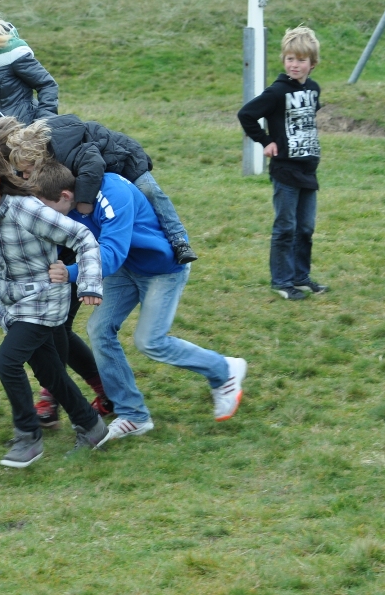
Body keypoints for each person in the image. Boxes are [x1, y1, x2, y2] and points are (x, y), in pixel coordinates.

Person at [30, 161, 247, 447]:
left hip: (162, 270)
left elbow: (112, 253)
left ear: (66, 196)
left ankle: (223, 370)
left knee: (150, 341)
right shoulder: (68, 203)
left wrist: (70, 273)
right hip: (126, 268)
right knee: (99, 329)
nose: (45, 214)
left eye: (46, 206)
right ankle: (133, 414)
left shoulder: (112, 194)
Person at [0, 145, 107, 468]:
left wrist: (88, 284)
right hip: (9, 306)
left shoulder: (26, 210)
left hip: (44, 300)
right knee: (49, 371)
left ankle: (27, 437)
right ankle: (91, 426)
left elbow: (83, 238)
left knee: (7, 362)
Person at [5, 115, 199, 265]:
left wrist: (84, 201)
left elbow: (93, 166)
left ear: (40, 160)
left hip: (126, 160)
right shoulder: (34, 158)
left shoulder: (69, 152)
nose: (24, 176)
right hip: (100, 169)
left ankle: (178, 240)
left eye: (27, 171)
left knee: (150, 191)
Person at [237, 26, 327, 301]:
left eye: (301, 60)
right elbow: (246, 114)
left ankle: (301, 277)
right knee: (286, 228)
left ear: (312, 63)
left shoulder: (313, 89)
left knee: (305, 228)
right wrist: (265, 141)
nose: (294, 65)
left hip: (308, 170)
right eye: (290, 59)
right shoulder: (276, 92)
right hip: (285, 171)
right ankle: (282, 281)